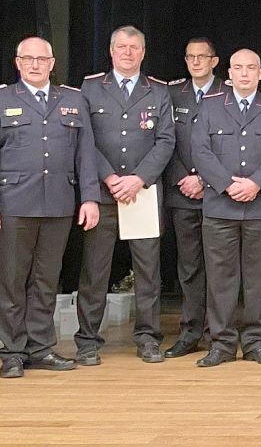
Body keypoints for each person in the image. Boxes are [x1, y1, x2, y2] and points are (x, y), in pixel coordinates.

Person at [0, 36, 100, 378]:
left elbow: (85, 154)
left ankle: (41, 347)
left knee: (46, 280)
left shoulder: (72, 100)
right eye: (27, 59)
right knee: (13, 280)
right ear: (17, 62)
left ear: (52, 62)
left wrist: (89, 197)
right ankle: (13, 351)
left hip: (58, 203)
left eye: (41, 59)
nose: (34, 64)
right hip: (14, 204)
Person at [76, 25, 174, 365]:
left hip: (142, 193)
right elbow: (84, 139)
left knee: (148, 270)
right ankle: (87, 340)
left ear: (143, 52)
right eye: (121, 47)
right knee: (95, 270)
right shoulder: (90, 88)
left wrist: (138, 178)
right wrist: (109, 176)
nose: (128, 53)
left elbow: (166, 141)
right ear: (111, 51)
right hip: (103, 193)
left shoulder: (158, 91)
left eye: (134, 47)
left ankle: (147, 338)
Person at [190, 48, 261, 367]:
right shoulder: (209, 107)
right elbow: (200, 151)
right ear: (229, 73)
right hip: (220, 207)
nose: (245, 73)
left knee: (258, 278)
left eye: (251, 68)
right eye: (238, 68)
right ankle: (221, 344)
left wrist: (256, 184)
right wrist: (227, 184)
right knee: (221, 279)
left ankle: (255, 342)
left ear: (260, 73)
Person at [162, 37, 225, 359]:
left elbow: (234, 149)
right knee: (189, 268)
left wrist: (205, 179)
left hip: (219, 196)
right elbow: (164, 144)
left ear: (215, 61)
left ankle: (219, 333)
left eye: (203, 57)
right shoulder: (172, 94)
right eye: (190, 57)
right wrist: (184, 179)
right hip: (182, 193)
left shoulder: (229, 93)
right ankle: (189, 331)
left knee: (220, 268)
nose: (196, 62)